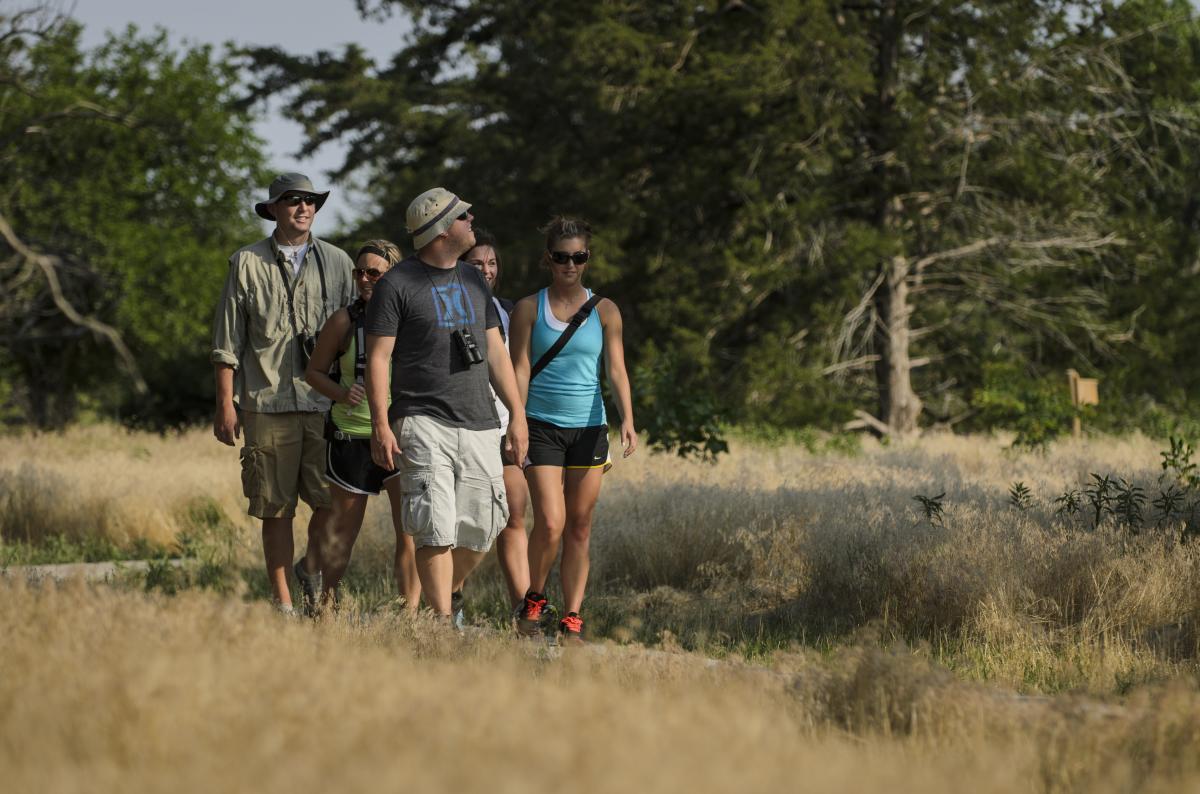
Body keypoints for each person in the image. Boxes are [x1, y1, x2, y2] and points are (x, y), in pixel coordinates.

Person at [364, 187, 528, 623]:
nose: (471, 219)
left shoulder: (474, 280)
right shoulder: (396, 285)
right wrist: (381, 424)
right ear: (440, 230)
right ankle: (440, 626)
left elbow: (495, 351)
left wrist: (517, 416)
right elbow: (378, 358)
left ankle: (446, 593)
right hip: (421, 419)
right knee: (434, 526)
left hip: (480, 421)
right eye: (463, 216)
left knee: (482, 529)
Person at [211, 172, 355, 615]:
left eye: (310, 200)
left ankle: (314, 578)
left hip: (324, 403)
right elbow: (227, 342)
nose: (303, 207)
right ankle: (284, 605)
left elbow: (358, 334)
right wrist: (225, 405)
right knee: (275, 509)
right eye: (292, 200)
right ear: (273, 208)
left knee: (331, 504)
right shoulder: (246, 263)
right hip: (266, 404)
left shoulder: (339, 262)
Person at [509, 217, 637, 642]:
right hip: (541, 425)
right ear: (548, 259)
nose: (570, 264)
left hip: (589, 426)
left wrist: (628, 421)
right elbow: (520, 367)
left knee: (580, 525)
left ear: (587, 259)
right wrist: (516, 419)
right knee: (550, 521)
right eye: (561, 257)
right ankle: (534, 597)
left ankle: (572, 615)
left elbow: (616, 370)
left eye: (578, 257)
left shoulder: (606, 310)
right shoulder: (529, 308)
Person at [303, 239, 421, 611]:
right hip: (352, 437)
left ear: (393, 276)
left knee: (410, 533)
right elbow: (313, 373)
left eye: (375, 272)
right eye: (360, 272)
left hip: (400, 435)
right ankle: (325, 606)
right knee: (343, 533)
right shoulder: (344, 321)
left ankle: (412, 615)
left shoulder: (411, 318)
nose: (365, 279)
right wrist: (340, 393)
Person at [465, 231, 530, 617]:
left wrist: (520, 420)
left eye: (491, 264)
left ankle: (524, 611)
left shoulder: (509, 310)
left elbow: (520, 369)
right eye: (476, 263)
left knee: (514, 514)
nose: (486, 270)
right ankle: (450, 598)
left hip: (505, 428)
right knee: (469, 523)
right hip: (466, 426)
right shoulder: (451, 306)